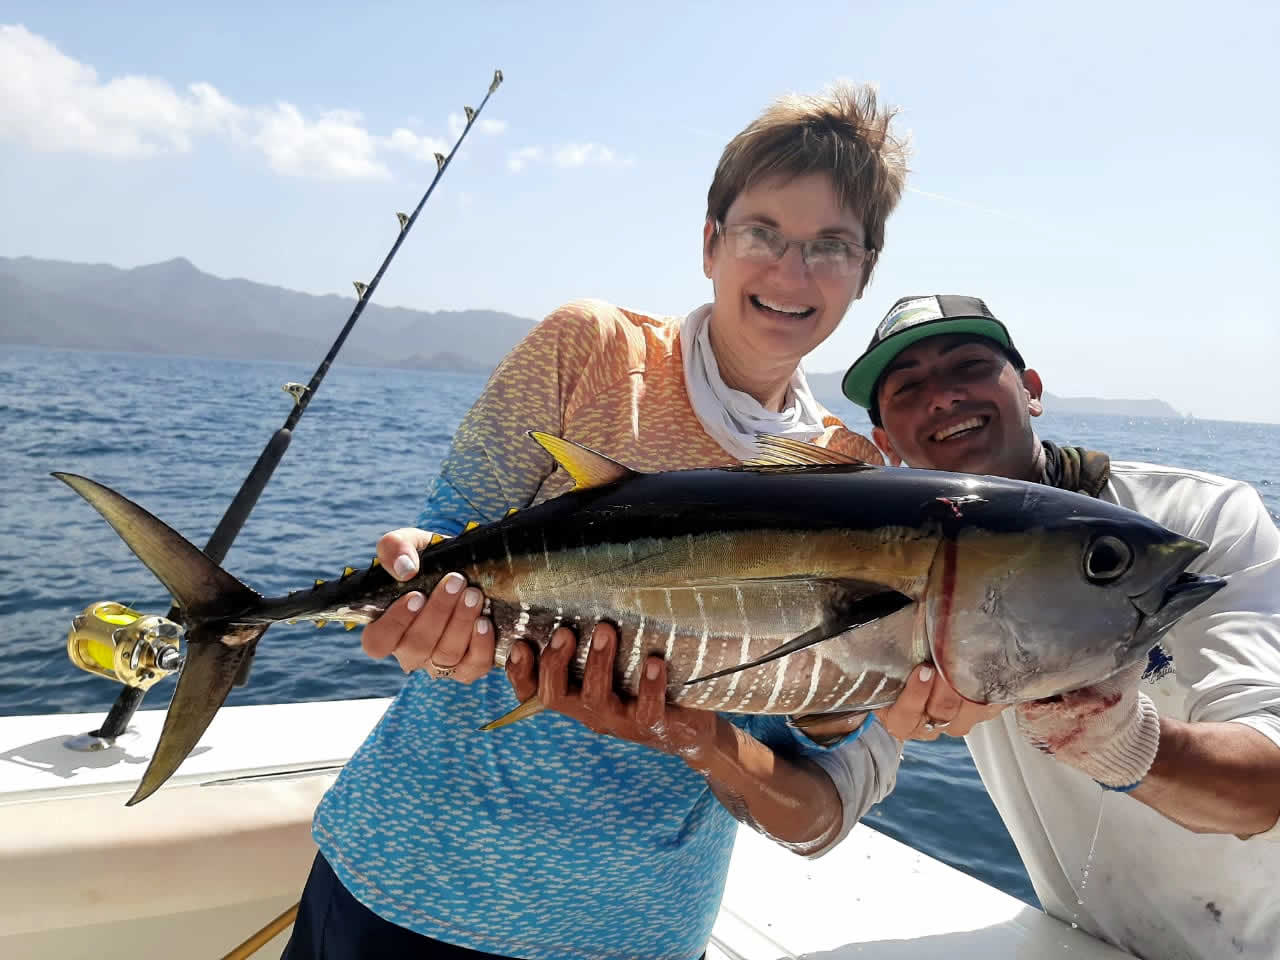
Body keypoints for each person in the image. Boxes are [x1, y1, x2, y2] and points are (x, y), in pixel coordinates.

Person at [282, 84, 929, 960]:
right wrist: (420, 613)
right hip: (411, 881)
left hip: (639, 929)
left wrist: (856, 704)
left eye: (830, 247)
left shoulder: (852, 477)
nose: (790, 272)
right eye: (762, 233)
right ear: (710, 243)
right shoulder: (592, 352)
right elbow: (444, 542)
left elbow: (801, 723)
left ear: (864, 271)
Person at [840, 293, 1280, 960]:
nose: (942, 396)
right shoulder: (883, 566)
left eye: (970, 364)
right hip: (1085, 942)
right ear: (884, 443)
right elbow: (847, 771)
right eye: (908, 387)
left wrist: (1127, 745)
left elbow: (1271, 779)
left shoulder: (1194, 520)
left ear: (1033, 390)